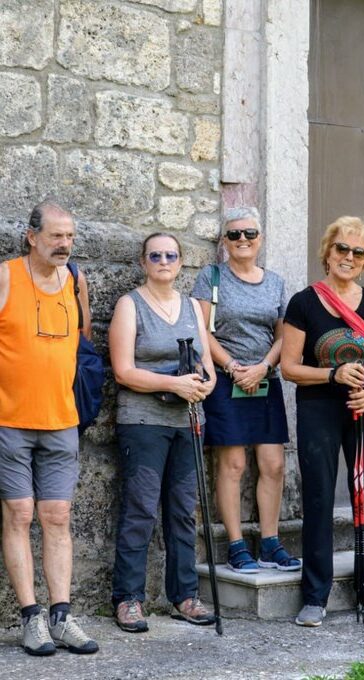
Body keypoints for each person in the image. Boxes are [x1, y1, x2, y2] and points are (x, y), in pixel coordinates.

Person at [281, 215, 364, 627]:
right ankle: (315, 596)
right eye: (341, 249)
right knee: (318, 499)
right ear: (327, 253)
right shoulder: (304, 302)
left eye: (358, 252)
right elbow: (290, 367)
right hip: (319, 409)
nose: (349, 257)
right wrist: (332, 374)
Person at [0, 200, 98, 656]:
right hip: (9, 421)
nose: (65, 244)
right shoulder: (6, 277)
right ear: (32, 236)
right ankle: (31, 617)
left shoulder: (76, 280)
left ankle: (62, 616)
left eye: (71, 236)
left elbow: (86, 341)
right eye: (57, 236)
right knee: (18, 514)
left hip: (62, 421)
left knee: (56, 517)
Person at [110, 232, 217, 632]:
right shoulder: (130, 305)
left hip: (189, 422)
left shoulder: (191, 306)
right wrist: (173, 384)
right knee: (140, 509)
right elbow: (124, 371)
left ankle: (184, 596)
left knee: (182, 511)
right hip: (143, 423)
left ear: (181, 262)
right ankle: (129, 599)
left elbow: (207, 364)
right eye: (155, 255)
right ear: (143, 262)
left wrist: (205, 384)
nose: (163, 261)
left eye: (171, 255)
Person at [193, 207, 299, 574]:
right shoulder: (212, 276)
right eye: (234, 235)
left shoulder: (275, 282)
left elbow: (284, 334)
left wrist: (264, 367)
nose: (242, 241)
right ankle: (236, 545)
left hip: (265, 378)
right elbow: (201, 330)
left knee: (273, 464)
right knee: (233, 463)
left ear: (260, 239)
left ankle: (270, 542)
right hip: (226, 379)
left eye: (249, 234)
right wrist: (233, 367)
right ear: (224, 241)